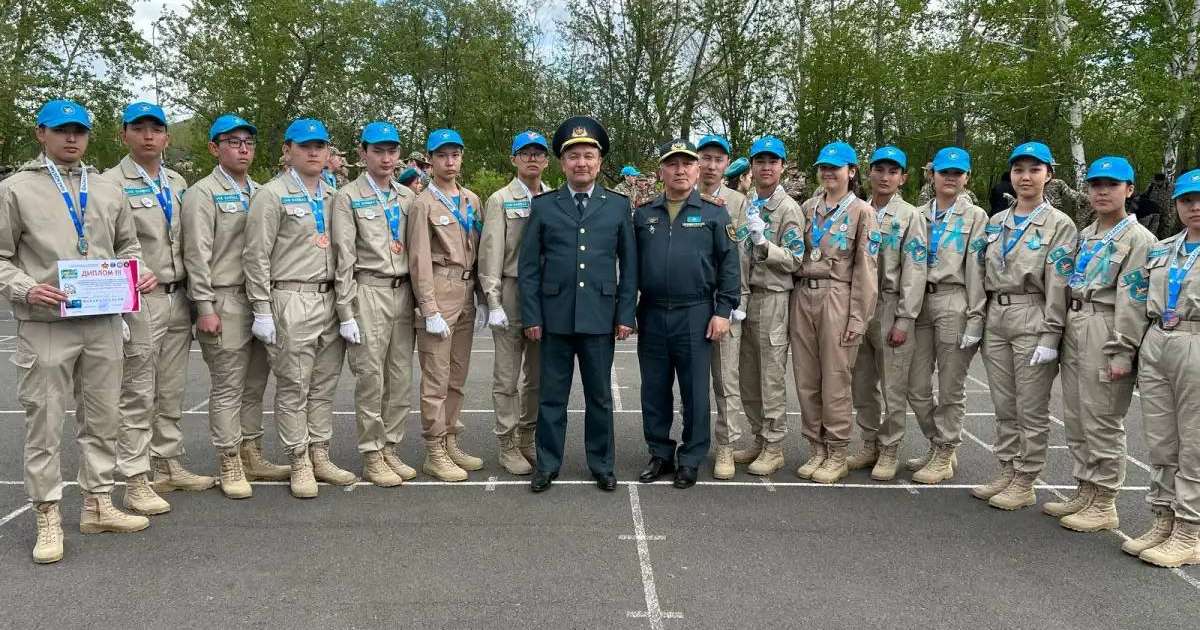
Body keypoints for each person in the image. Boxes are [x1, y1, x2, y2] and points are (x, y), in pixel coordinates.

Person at [0, 99, 151, 563]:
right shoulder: (15, 189)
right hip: (47, 323)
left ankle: (98, 502)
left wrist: (139, 271)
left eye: (79, 131)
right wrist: (26, 288)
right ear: (40, 133)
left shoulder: (105, 188)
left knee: (103, 416)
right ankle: (47, 512)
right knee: (45, 421)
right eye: (61, 129)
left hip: (103, 321)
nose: (71, 138)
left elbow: (128, 246)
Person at [103, 102, 212, 515]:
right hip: (141, 299)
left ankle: (167, 462)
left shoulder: (176, 180)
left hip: (178, 295)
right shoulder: (109, 183)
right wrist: (129, 276)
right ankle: (136, 477)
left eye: (156, 128)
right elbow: (102, 243)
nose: (148, 136)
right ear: (124, 134)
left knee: (171, 388)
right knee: (138, 392)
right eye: (139, 128)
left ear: (167, 136)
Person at [519, 116, 637, 493]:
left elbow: (630, 265)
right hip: (554, 317)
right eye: (573, 157)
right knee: (551, 398)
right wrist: (532, 316)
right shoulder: (544, 206)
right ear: (562, 163)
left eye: (588, 156)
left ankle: (602, 464)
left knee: (599, 397)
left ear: (599, 162)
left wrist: (625, 314)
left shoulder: (617, 206)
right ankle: (547, 463)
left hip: (600, 317)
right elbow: (528, 267)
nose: (581, 163)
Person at [244, 118, 355, 498]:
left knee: (324, 384)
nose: (313, 152)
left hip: (330, 298)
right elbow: (256, 255)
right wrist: (261, 308)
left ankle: (320, 452)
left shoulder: (334, 196)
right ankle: (299, 458)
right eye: (305, 146)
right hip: (291, 296)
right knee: (294, 384)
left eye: (320, 146)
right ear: (287, 150)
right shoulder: (271, 195)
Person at [182, 114, 290, 501]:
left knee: (255, 384)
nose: (243, 149)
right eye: (233, 142)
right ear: (215, 147)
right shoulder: (203, 193)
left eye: (248, 142)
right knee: (228, 386)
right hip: (224, 297)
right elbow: (196, 255)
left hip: (260, 299)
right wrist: (204, 306)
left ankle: (251, 452)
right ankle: (229, 459)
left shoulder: (261, 191)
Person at [1048, 156, 1156, 531]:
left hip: (1106, 324)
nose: (1102, 192)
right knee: (1076, 414)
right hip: (1076, 320)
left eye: (1112, 185)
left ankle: (1105, 500)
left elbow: (1133, 301)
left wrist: (1123, 350)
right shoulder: (1086, 233)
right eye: (1096, 185)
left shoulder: (1138, 239)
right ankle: (1086, 487)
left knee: (1103, 416)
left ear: (1129, 189)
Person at [974, 141, 1078, 510]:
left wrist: (1052, 333)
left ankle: (1026, 477)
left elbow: (1058, 283)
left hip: (1033, 313)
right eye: (1019, 170)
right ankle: (1006, 468)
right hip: (997, 315)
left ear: (1049, 175)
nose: (1026, 177)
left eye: (1035, 169)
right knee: (1003, 402)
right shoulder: (997, 222)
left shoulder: (1059, 224)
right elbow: (982, 271)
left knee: (1030, 406)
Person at [634, 139, 739, 489]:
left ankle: (691, 457)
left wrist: (723, 310)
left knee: (695, 391)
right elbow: (630, 266)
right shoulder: (644, 214)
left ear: (697, 169)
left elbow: (729, 266)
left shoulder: (714, 212)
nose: (680, 170)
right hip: (652, 311)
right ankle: (660, 453)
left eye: (687, 164)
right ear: (661, 171)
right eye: (672, 164)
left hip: (695, 312)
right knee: (654, 389)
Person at [331, 121, 419, 488]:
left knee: (400, 376)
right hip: (368, 289)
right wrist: (346, 310)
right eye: (378, 151)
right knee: (371, 377)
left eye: (392, 151)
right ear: (362, 153)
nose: (386, 158)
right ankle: (371, 452)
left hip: (404, 291)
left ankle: (390, 447)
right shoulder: (348, 196)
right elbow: (343, 257)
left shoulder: (407, 197)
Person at [791, 141, 880, 483]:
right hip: (804, 293)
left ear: (852, 172)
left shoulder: (862, 212)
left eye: (836, 167)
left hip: (837, 296)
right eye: (824, 167)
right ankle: (816, 446)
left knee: (836, 378)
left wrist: (858, 317)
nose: (828, 173)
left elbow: (866, 269)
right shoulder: (808, 207)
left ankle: (838, 451)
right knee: (806, 377)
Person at [1124, 168, 1200, 567]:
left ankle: (1189, 529)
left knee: (1194, 441)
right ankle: (1163, 516)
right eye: (1187, 200)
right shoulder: (1163, 248)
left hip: (1195, 339)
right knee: (1161, 439)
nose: (1195, 207)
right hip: (1157, 338)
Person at [407, 128, 487, 482]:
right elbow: (419, 260)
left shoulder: (471, 199)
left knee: (457, 375)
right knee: (436, 378)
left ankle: (451, 437)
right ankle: (434, 449)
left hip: (466, 291)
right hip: (439, 290)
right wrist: (429, 308)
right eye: (442, 155)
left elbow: (480, 249)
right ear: (430, 161)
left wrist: (483, 298)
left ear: (462, 157)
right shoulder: (423, 203)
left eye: (455, 154)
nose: (449, 161)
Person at [905, 147, 988, 484]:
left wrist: (976, 316)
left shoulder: (975, 217)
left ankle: (945, 450)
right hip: (919, 301)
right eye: (944, 172)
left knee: (951, 384)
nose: (950, 178)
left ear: (967, 177)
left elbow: (977, 269)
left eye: (957, 173)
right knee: (915, 384)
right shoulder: (917, 214)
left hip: (954, 298)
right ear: (932, 175)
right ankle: (937, 441)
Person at [847, 146, 926, 480]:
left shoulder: (910, 215)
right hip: (857, 304)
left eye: (893, 171)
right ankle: (869, 443)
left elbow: (915, 269)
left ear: (903, 178)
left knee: (893, 384)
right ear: (869, 173)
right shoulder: (857, 210)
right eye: (879, 169)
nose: (885, 177)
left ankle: (890, 447)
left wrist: (905, 318)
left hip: (890, 304)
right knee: (861, 382)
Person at [479, 130, 552, 475]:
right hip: (511, 291)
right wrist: (492, 300)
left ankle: (527, 436)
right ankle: (507, 443)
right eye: (525, 153)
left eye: (538, 153)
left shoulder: (552, 198)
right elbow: (491, 252)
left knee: (537, 376)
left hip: (544, 297)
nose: (532, 158)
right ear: (514, 159)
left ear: (547, 160)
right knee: (506, 378)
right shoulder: (500, 199)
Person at [733, 136, 805, 476]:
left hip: (772, 297)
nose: (766, 167)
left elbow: (796, 259)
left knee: (770, 376)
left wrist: (764, 245)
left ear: (782, 167)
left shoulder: (788, 208)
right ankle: (759, 438)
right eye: (760, 161)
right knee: (747, 376)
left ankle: (774, 445)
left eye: (772, 162)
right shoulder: (747, 203)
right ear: (751, 166)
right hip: (745, 296)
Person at [694, 135, 752, 479]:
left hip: (724, 301)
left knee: (725, 379)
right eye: (705, 158)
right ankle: (693, 440)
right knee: (691, 379)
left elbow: (739, 256)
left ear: (727, 164)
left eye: (718, 159)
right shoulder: (683, 195)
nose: (711, 165)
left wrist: (732, 303)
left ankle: (727, 446)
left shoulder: (738, 202)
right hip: (690, 300)